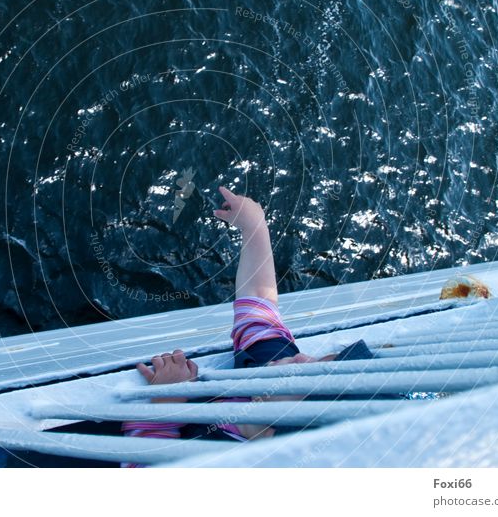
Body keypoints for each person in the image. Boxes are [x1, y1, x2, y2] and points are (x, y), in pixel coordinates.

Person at [121, 186, 374, 464]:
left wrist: (164, 403)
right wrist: (255, 226)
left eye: (311, 380)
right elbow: (257, 301)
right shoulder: (279, 371)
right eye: (327, 360)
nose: (304, 358)